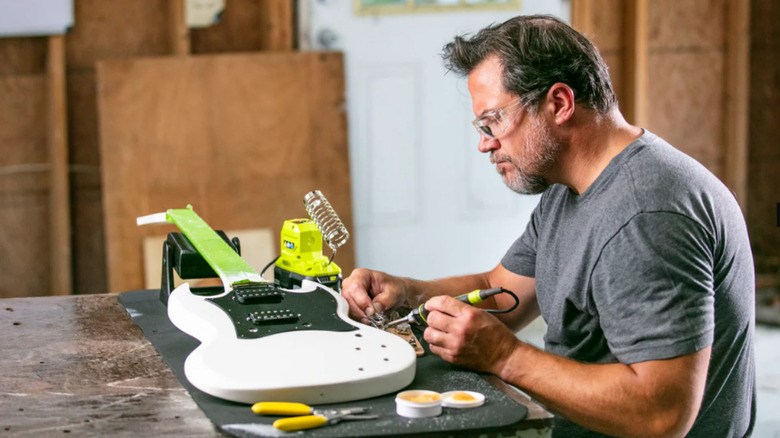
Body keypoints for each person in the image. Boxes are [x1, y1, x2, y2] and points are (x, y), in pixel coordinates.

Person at [342, 14, 755, 438]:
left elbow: (661, 416)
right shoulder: (571, 187)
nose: (484, 143)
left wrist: (505, 357)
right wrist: (405, 292)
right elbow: (500, 290)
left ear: (559, 103)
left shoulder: (645, 215)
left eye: (493, 121)